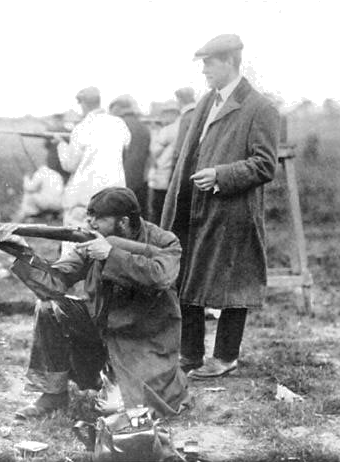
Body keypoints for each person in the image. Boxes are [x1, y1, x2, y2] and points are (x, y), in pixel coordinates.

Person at [0, 187, 189, 418]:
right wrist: (21, 250)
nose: (90, 223)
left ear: (123, 222)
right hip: (103, 332)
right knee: (49, 307)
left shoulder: (165, 242)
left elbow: (161, 276)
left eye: (98, 218)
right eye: (89, 216)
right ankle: (53, 395)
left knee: (121, 411)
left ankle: (118, 383)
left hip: (145, 342)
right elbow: (55, 283)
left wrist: (111, 254)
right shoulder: (92, 242)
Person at [161, 34, 279, 379]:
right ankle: (190, 355)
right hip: (196, 208)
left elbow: (264, 164)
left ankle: (226, 357)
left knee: (234, 283)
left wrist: (221, 175)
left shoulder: (260, 107)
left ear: (229, 61)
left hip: (233, 211)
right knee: (188, 277)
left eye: (208, 64)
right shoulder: (205, 102)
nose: (203, 72)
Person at [53, 87, 131, 232]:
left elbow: (69, 165)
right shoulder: (119, 124)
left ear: (83, 104)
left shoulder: (82, 127)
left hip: (86, 197)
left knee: (75, 242)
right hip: (115, 194)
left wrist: (61, 145)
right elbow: (124, 153)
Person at [109, 95, 151, 219]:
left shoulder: (118, 125)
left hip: (121, 181)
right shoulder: (143, 127)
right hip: (141, 180)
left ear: (117, 109)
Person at [147, 103, 180, 225]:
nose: (163, 117)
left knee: (157, 213)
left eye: (165, 114)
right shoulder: (181, 127)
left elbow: (154, 152)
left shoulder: (167, 130)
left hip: (161, 178)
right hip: (172, 178)